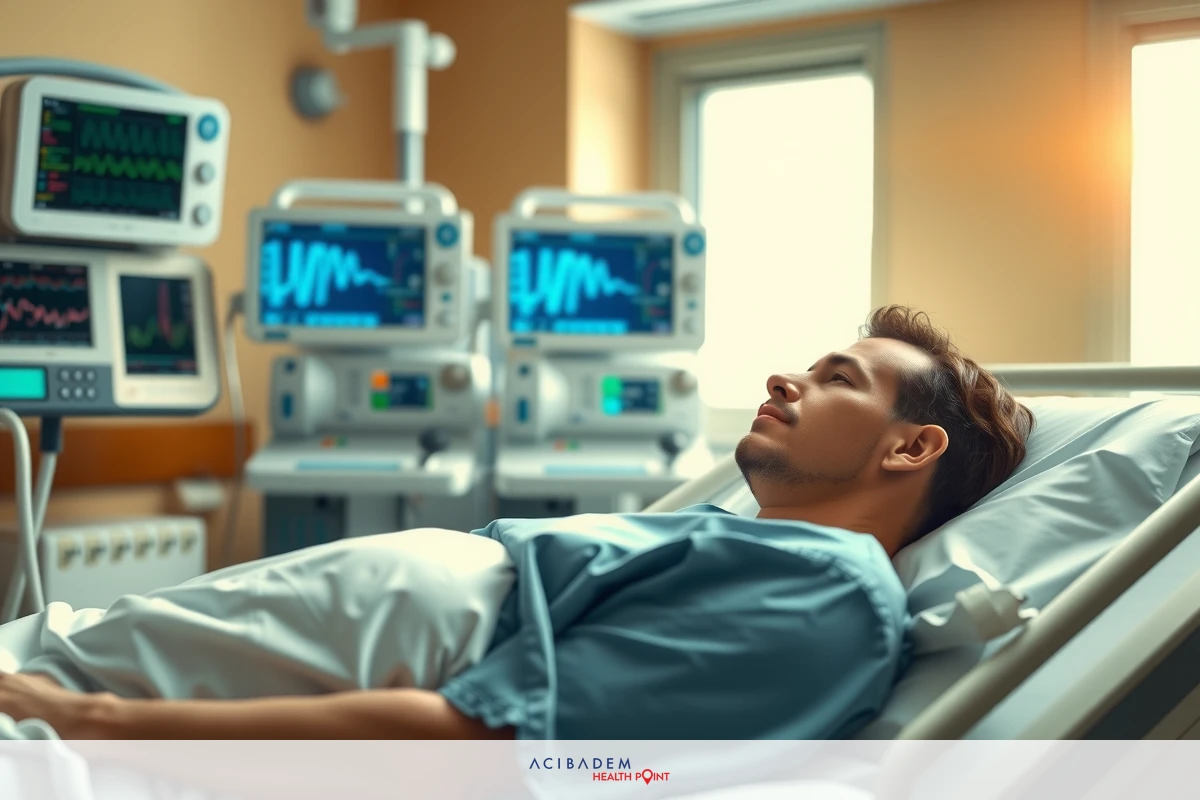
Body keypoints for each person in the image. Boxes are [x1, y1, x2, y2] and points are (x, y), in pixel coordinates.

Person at [0, 306, 1032, 740]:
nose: (785, 376)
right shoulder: (781, 554)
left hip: (143, 693)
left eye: (836, 377)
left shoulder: (836, 593)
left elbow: (475, 743)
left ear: (909, 449)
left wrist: (93, 719)